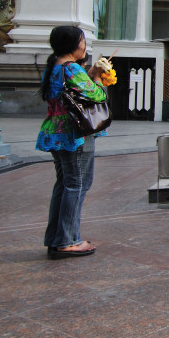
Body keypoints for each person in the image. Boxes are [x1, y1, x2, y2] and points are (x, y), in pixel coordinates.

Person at [36, 26, 113, 259]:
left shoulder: (54, 67)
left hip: (55, 131)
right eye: (82, 41)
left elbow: (71, 91)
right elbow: (97, 95)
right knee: (76, 184)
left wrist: (89, 72)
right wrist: (99, 77)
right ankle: (68, 240)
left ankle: (57, 238)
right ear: (72, 44)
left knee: (64, 184)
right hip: (74, 134)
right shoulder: (71, 68)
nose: (84, 46)